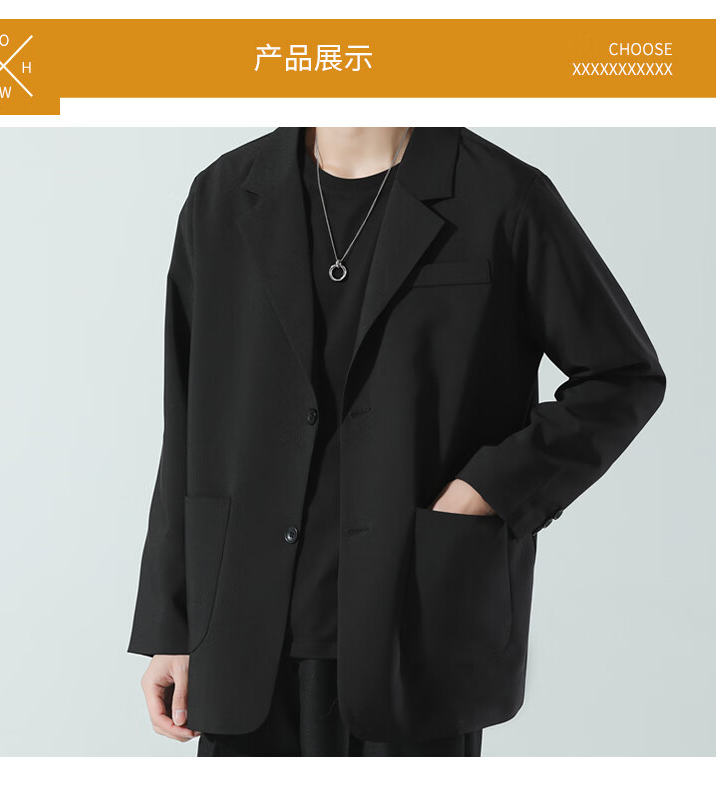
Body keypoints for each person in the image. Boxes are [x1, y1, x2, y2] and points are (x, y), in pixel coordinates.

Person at [127, 127, 666, 757]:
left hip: (417, 617)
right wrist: (172, 624)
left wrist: (487, 489)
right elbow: (187, 419)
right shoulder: (223, 195)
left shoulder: (503, 196)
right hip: (243, 625)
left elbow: (622, 377)